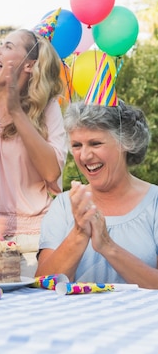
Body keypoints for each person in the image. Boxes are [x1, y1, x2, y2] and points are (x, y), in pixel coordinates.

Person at [0, 27, 68, 277]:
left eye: (8, 46)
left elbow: (52, 173)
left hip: (34, 245)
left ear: (29, 65)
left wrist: (16, 112)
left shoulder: (48, 108)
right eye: (0, 44)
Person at [36, 100, 158, 288]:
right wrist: (79, 234)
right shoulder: (63, 205)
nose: (84, 156)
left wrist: (108, 247)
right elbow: (41, 284)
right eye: (77, 145)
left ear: (126, 142)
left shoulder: (155, 203)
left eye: (95, 143)